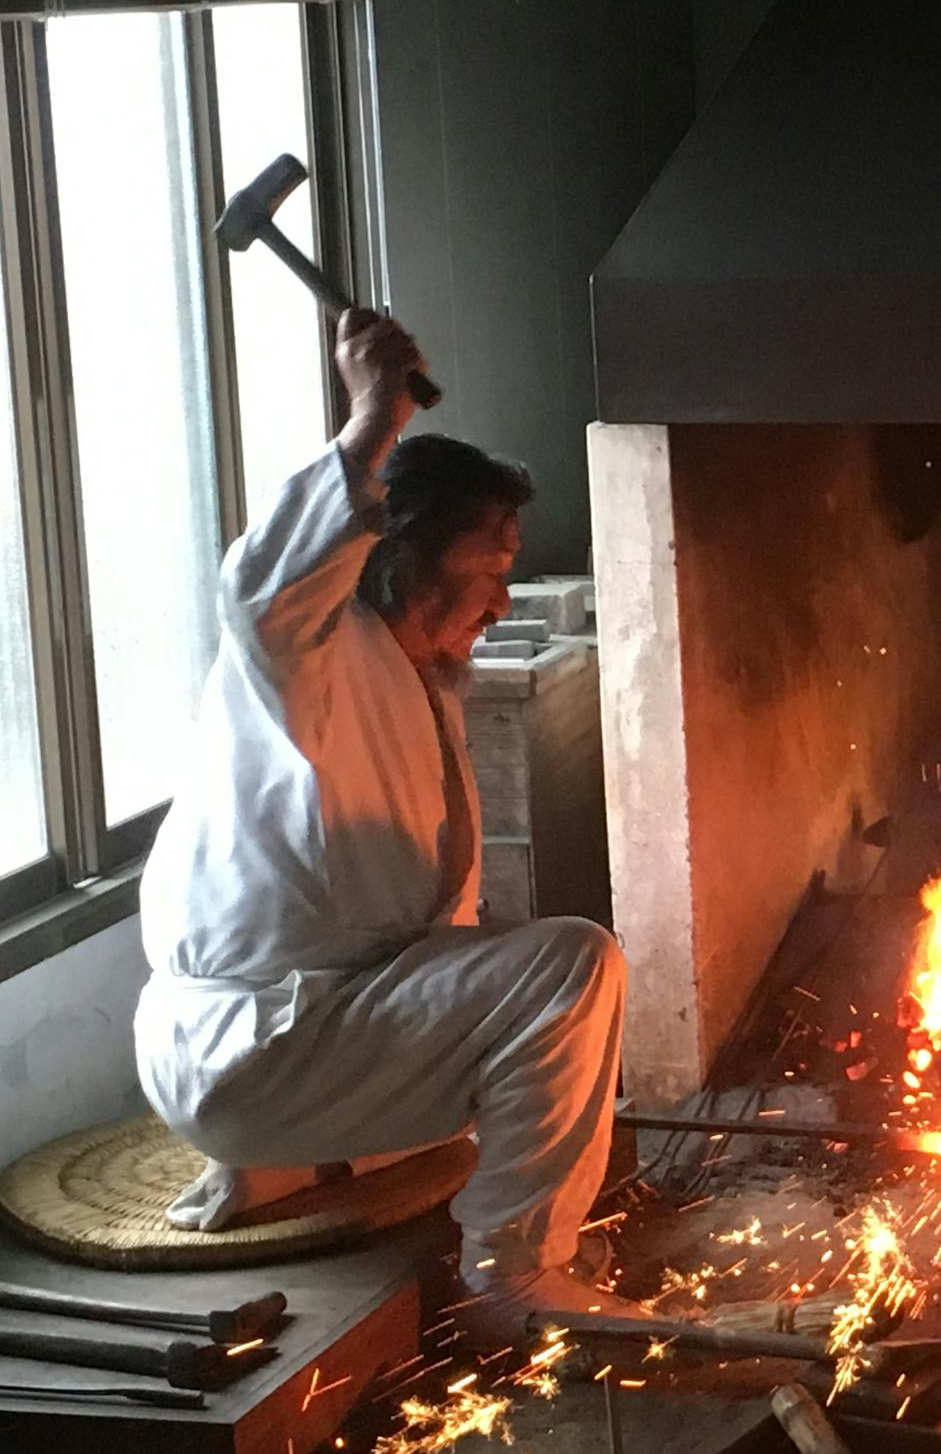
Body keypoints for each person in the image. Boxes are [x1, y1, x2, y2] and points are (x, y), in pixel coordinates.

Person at [134, 310, 637, 1333]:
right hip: (262, 1044)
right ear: (402, 554)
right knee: (574, 966)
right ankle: (515, 1278)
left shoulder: (413, 672)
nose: (502, 600)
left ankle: (284, 1163)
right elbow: (258, 585)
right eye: (492, 567)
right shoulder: (307, 651)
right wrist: (373, 418)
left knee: (525, 1008)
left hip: (296, 1037)